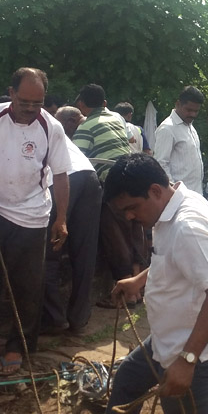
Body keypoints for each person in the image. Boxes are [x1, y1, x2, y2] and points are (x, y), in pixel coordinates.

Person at [101, 154, 208, 414]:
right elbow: (176, 261)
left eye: (132, 207)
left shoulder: (187, 227)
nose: (129, 216)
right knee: (127, 380)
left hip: (190, 348)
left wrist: (187, 361)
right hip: (168, 339)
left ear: (155, 191)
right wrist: (139, 280)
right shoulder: (173, 205)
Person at [0, 68, 72, 375]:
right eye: (24, 101)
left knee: (27, 286)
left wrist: (61, 218)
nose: (30, 108)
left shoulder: (51, 128)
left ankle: (18, 346)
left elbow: (61, 176)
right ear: (10, 93)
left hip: (33, 215)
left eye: (37, 103)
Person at [74, 84, 148, 304]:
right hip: (132, 177)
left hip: (112, 184)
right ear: (104, 103)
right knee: (135, 231)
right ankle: (138, 291)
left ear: (81, 105)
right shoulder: (117, 118)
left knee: (114, 234)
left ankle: (126, 295)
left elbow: (75, 158)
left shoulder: (85, 127)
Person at [41, 106, 103, 335]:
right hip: (88, 175)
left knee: (48, 252)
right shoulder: (47, 120)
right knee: (84, 253)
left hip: (60, 180)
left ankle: (55, 317)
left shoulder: (17, 123)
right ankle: (79, 318)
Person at [154, 85, 204, 194]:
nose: (193, 114)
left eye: (196, 111)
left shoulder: (189, 126)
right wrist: (174, 193)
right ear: (178, 104)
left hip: (195, 193)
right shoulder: (167, 128)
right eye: (189, 110)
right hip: (179, 197)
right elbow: (160, 165)